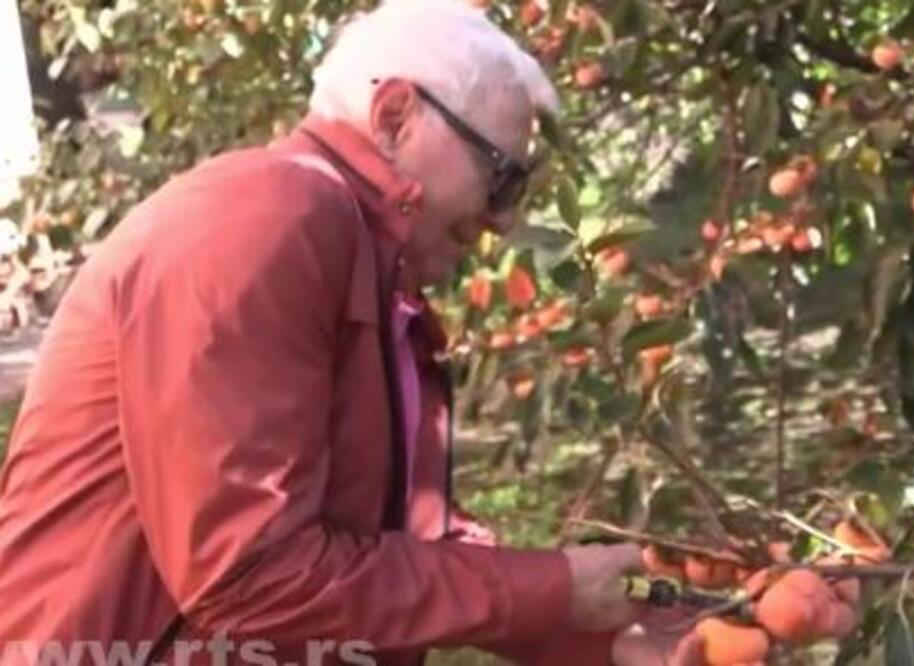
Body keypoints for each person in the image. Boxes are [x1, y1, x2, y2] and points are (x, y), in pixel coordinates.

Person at [0, 1, 701, 664]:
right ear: (395, 116)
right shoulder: (264, 220)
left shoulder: (367, 274)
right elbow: (251, 578)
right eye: (502, 177)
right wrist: (554, 589)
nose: (503, 220)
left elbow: (396, 545)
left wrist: (601, 637)